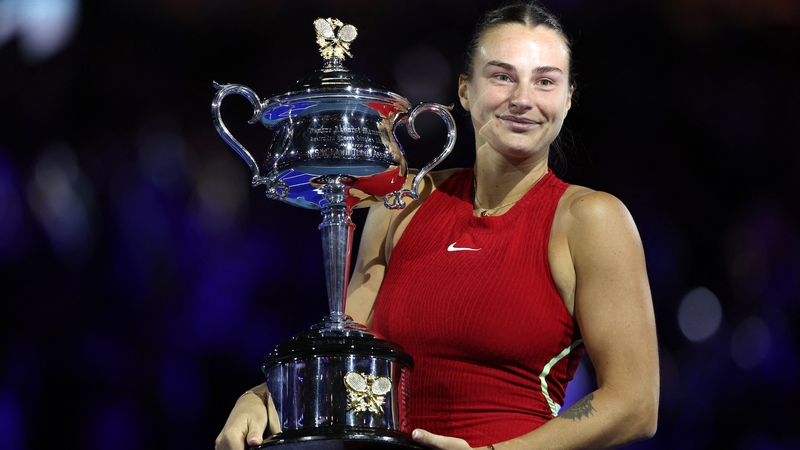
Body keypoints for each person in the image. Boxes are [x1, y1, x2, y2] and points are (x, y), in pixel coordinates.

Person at [216, 2, 659, 449]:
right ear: (465, 91)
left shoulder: (591, 219)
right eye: (502, 76)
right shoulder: (401, 201)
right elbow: (346, 354)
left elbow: (635, 403)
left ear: (567, 98)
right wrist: (266, 398)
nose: (523, 98)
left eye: (545, 81)